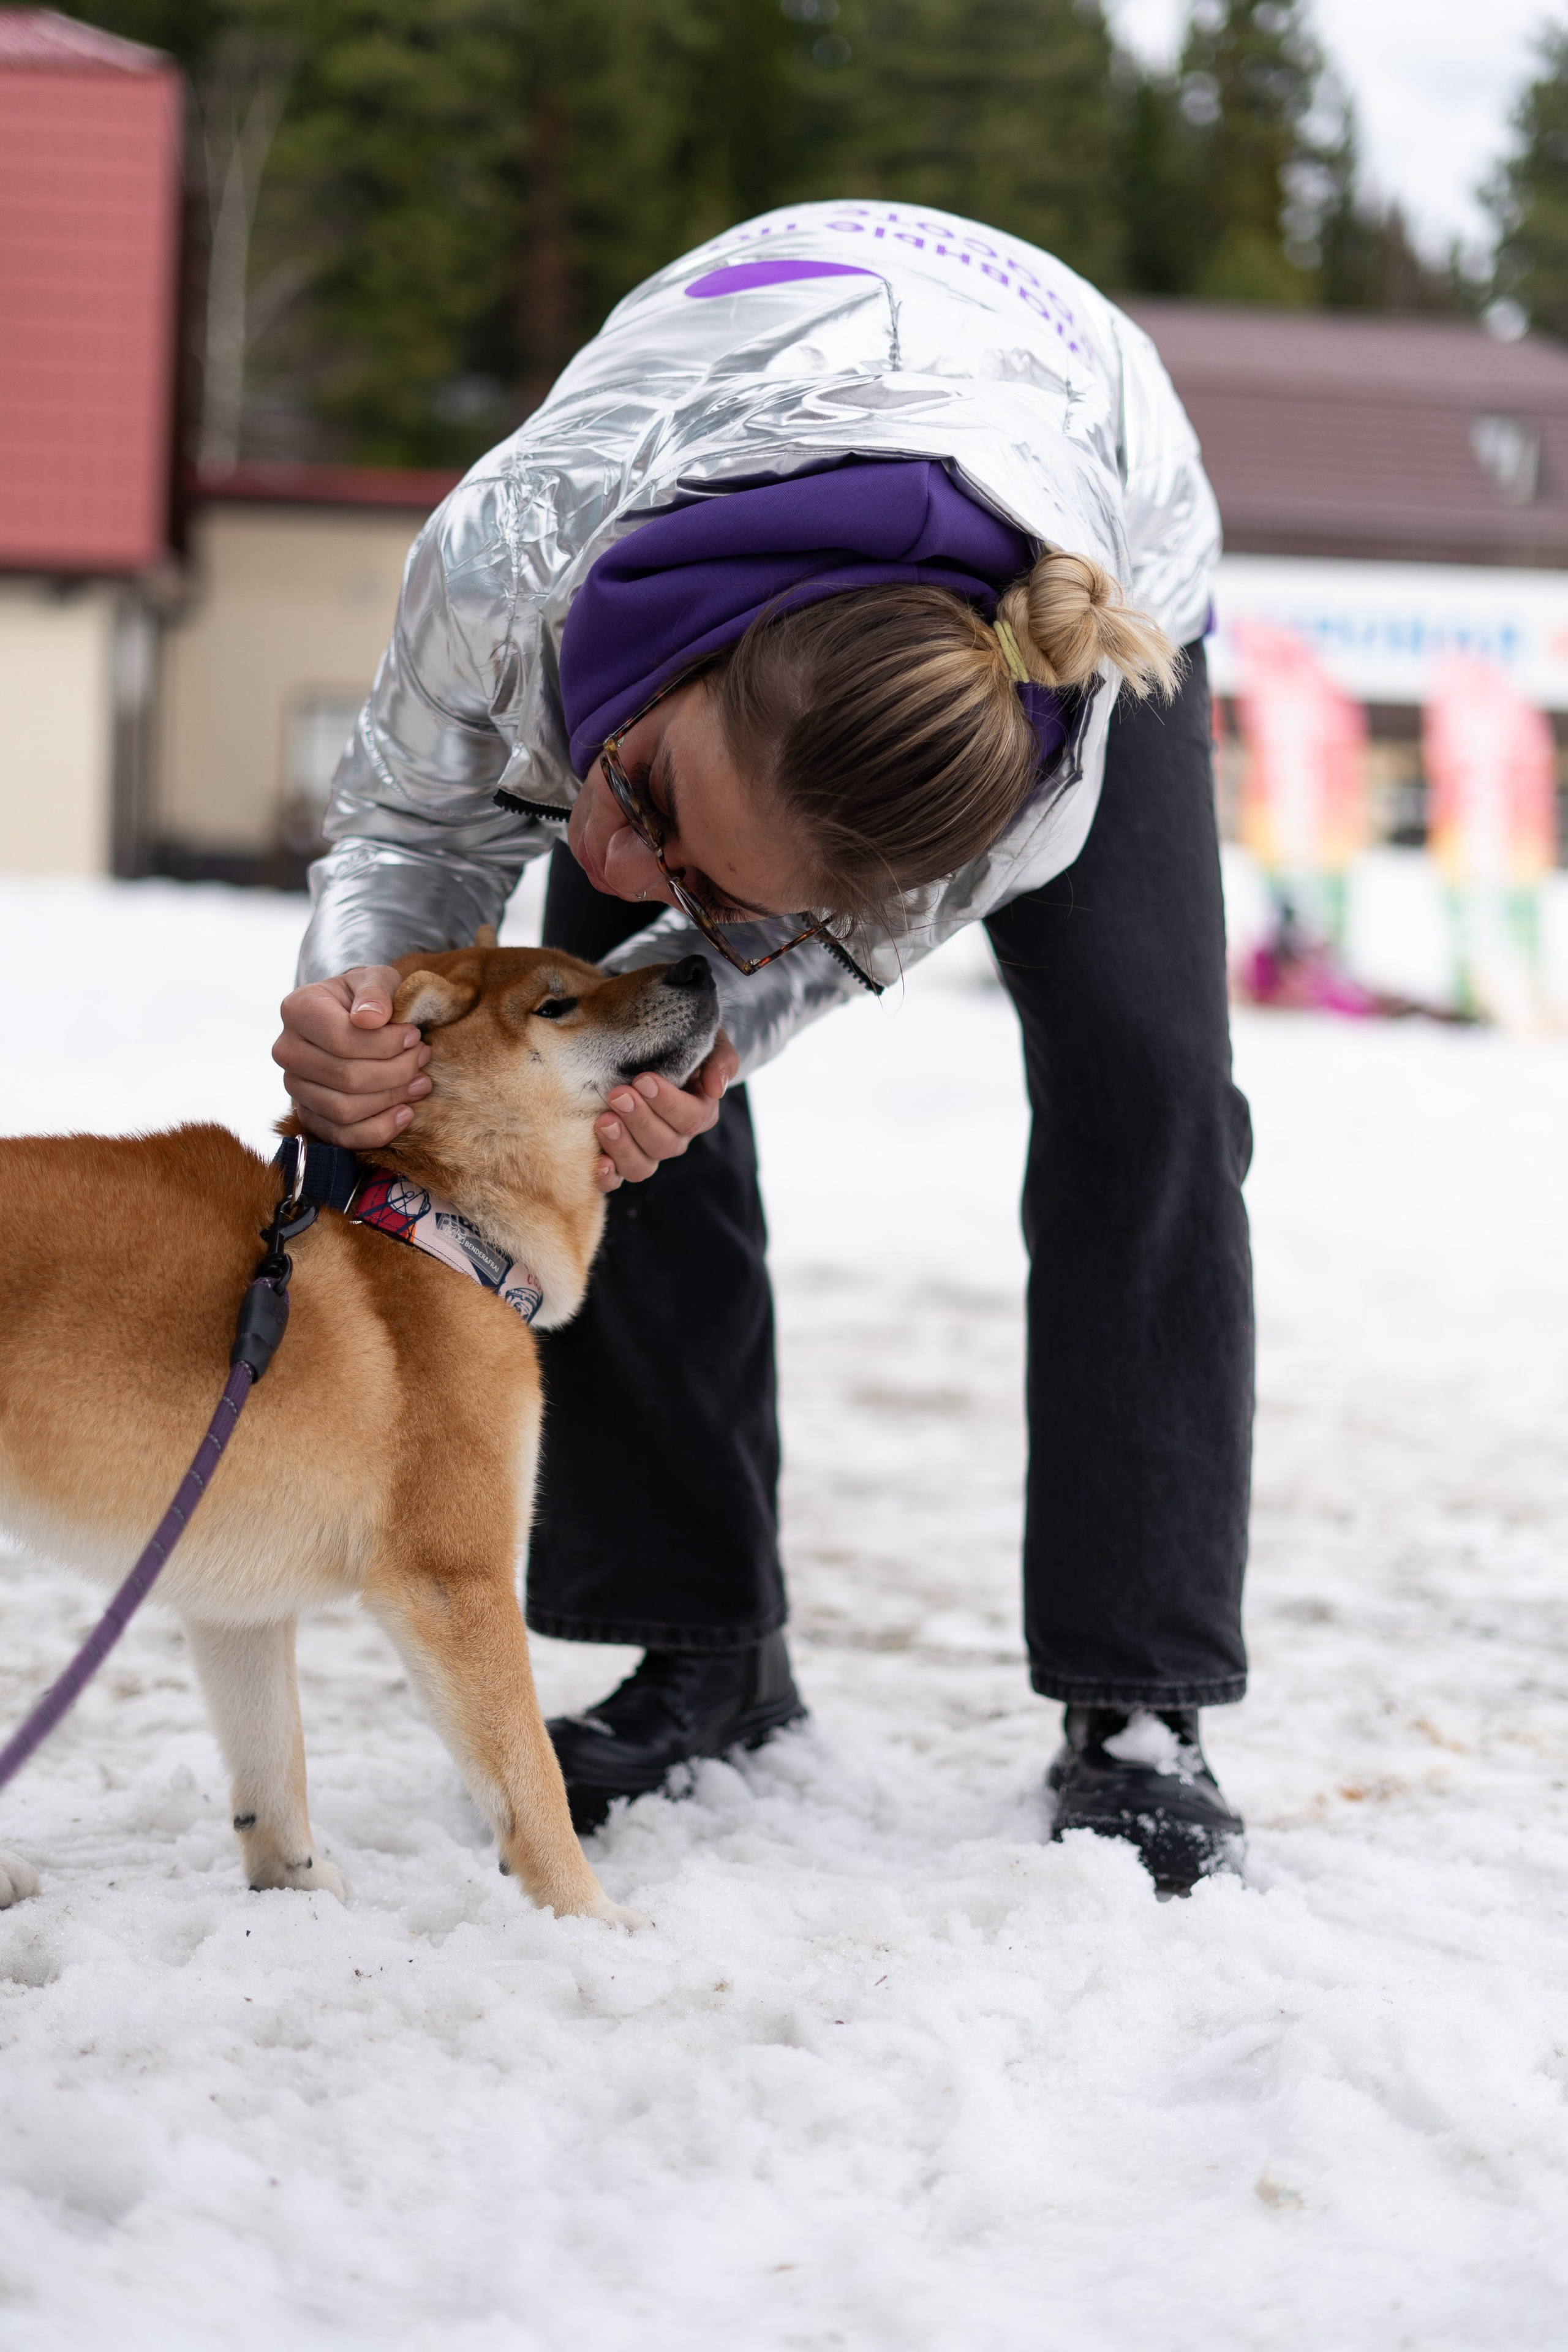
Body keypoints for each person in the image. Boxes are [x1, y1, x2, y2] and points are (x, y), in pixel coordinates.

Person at [273, 202, 1254, 1896]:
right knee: (584, 1082)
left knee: (1146, 1090)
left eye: (712, 889)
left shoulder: (1035, 779)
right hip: (741, 407)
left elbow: (789, 944)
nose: (627, 873)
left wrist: (728, 1009)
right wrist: (360, 1022)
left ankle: (1139, 1702)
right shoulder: (519, 556)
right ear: (689, 658)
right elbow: (405, 834)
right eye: (649, 801)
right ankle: (698, 1638)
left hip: (1103, 532)